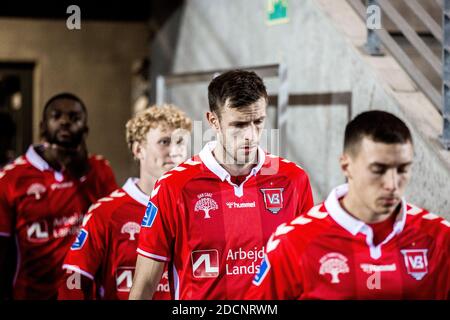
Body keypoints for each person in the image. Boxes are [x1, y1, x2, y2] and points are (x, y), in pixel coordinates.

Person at [129, 70, 314, 300]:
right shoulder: (174, 187)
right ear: (213, 121)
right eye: (239, 124)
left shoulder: (293, 180)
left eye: (258, 122)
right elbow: (145, 285)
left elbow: (307, 273)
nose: (251, 136)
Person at [247, 110, 450, 300]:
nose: (392, 184)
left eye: (402, 170)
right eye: (378, 169)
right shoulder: (293, 242)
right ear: (346, 166)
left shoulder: (441, 238)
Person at [58, 104, 192, 300]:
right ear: (139, 150)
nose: (174, 151)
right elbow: (74, 281)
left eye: (180, 142)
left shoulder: (198, 206)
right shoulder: (105, 212)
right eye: (164, 141)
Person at [0, 93, 117, 300]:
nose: (65, 122)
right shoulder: (11, 178)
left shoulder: (100, 170)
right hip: (31, 295)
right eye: (57, 116)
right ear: (42, 126)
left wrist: (84, 174)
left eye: (74, 117)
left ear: (86, 129)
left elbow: (115, 228)